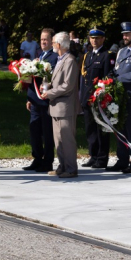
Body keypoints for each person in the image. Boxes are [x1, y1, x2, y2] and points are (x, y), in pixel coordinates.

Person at [108, 22, 131, 174]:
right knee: (120, 128)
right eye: (123, 34)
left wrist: (118, 78)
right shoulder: (122, 52)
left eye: (127, 34)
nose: (124, 36)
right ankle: (122, 159)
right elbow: (117, 70)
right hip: (120, 97)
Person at [42, 32, 79, 178]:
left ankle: (71, 168)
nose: (52, 44)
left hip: (65, 106)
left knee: (67, 139)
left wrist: (50, 93)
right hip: (56, 106)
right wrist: (46, 87)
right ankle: (62, 166)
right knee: (58, 139)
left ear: (59, 44)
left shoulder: (69, 60)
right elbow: (58, 81)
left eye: (53, 42)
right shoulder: (60, 59)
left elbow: (67, 86)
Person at [23, 28, 59, 173]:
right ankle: (37, 158)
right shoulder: (39, 56)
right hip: (35, 101)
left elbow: (52, 79)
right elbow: (33, 80)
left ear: (52, 41)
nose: (43, 42)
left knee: (47, 132)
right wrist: (29, 98)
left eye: (46, 39)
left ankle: (47, 161)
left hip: (46, 101)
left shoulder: (54, 57)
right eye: (42, 39)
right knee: (35, 131)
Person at [79, 27, 115, 168]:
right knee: (90, 129)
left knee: (101, 129)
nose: (94, 40)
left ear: (103, 39)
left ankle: (102, 157)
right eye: (92, 38)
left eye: (98, 38)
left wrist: (102, 94)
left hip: (99, 98)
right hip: (88, 98)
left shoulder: (107, 55)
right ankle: (93, 155)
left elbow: (108, 77)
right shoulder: (88, 55)